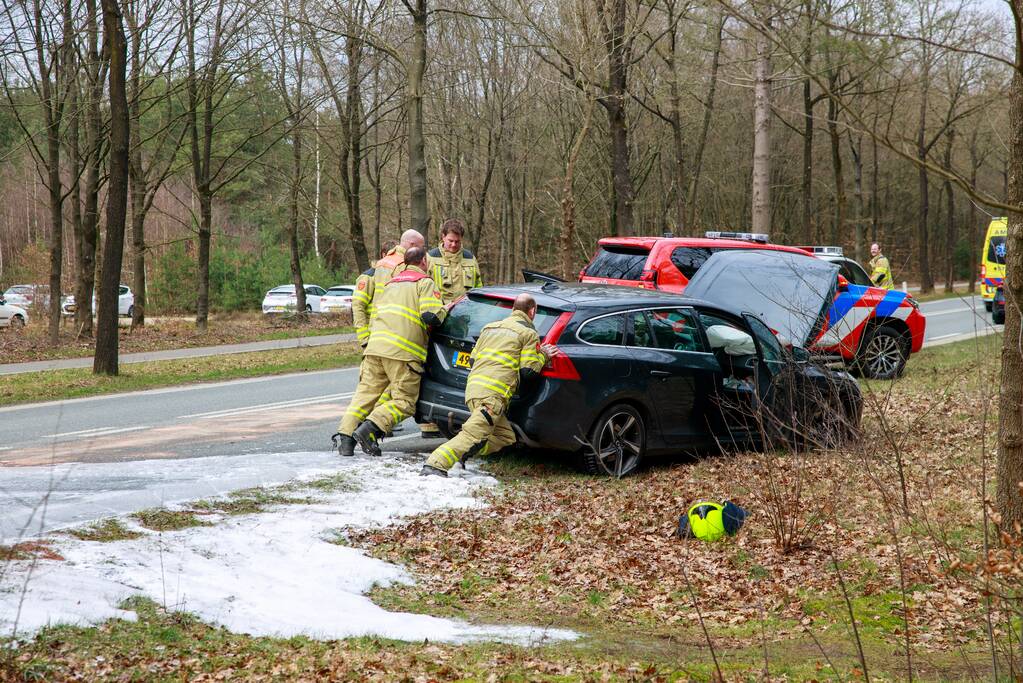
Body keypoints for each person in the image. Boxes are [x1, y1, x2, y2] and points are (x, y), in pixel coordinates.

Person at [422, 293, 556, 477]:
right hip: (492, 397)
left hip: (473, 390)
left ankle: (463, 453)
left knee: (504, 436)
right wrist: (544, 355)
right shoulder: (528, 334)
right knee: (471, 434)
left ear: (514, 309)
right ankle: (435, 465)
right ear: (532, 311)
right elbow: (528, 371)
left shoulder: (489, 328)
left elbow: (472, 360)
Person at [334, 248, 446, 457]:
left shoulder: (390, 284)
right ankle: (370, 428)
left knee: (364, 396)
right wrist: (445, 310)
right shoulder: (424, 283)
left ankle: (346, 439)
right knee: (405, 402)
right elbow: (430, 316)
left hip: (375, 348)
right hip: (403, 354)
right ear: (423, 261)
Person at [352, 241, 398, 348]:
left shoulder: (395, 276)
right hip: (373, 337)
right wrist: (364, 339)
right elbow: (358, 306)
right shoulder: (369, 277)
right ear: (383, 255)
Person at [428, 218, 483, 304]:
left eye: (457, 241)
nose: (453, 245)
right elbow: (424, 288)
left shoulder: (470, 258)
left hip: (467, 308)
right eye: (451, 241)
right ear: (443, 237)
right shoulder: (430, 257)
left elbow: (478, 287)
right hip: (439, 309)